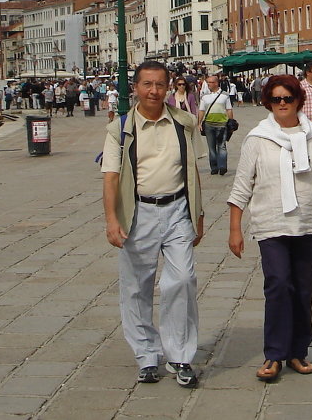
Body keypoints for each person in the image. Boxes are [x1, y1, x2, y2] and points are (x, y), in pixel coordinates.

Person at [227, 74, 312, 382]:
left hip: (308, 222)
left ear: (297, 100)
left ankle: (297, 351)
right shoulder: (257, 138)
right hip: (271, 224)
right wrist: (235, 229)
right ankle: (274, 354)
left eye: (288, 98)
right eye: (276, 99)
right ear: (268, 102)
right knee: (279, 284)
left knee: (304, 289)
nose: (282, 104)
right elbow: (242, 186)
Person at [100, 61, 205, 388]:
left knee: (183, 280)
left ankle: (180, 356)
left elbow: (193, 170)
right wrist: (111, 219)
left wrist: (198, 215)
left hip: (176, 210)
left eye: (160, 85)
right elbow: (111, 178)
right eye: (147, 84)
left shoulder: (183, 123)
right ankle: (146, 355)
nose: (154, 91)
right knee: (136, 287)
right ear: (136, 87)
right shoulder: (120, 128)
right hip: (139, 213)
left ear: (168, 87)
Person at [197, 75, 234, 176]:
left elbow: (229, 109)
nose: (208, 84)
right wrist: (199, 122)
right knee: (211, 147)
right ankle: (214, 167)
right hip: (209, 124)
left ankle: (222, 166)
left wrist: (231, 122)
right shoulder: (204, 97)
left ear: (216, 83)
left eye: (210, 82)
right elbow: (201, 110)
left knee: (222, 146)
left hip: (222, 124)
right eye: (207, 82)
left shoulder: (225, 95)